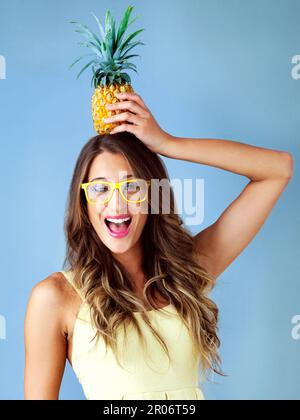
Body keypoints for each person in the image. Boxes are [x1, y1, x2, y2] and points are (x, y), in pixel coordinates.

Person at [24, 92, 293, 400]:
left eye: (132, 187)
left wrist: (168, 144)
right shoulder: (55, 297)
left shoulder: (187, 271)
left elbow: (277, 169)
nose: (117, 203)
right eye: (100, 188)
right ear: (83, 204)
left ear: (153, 196)